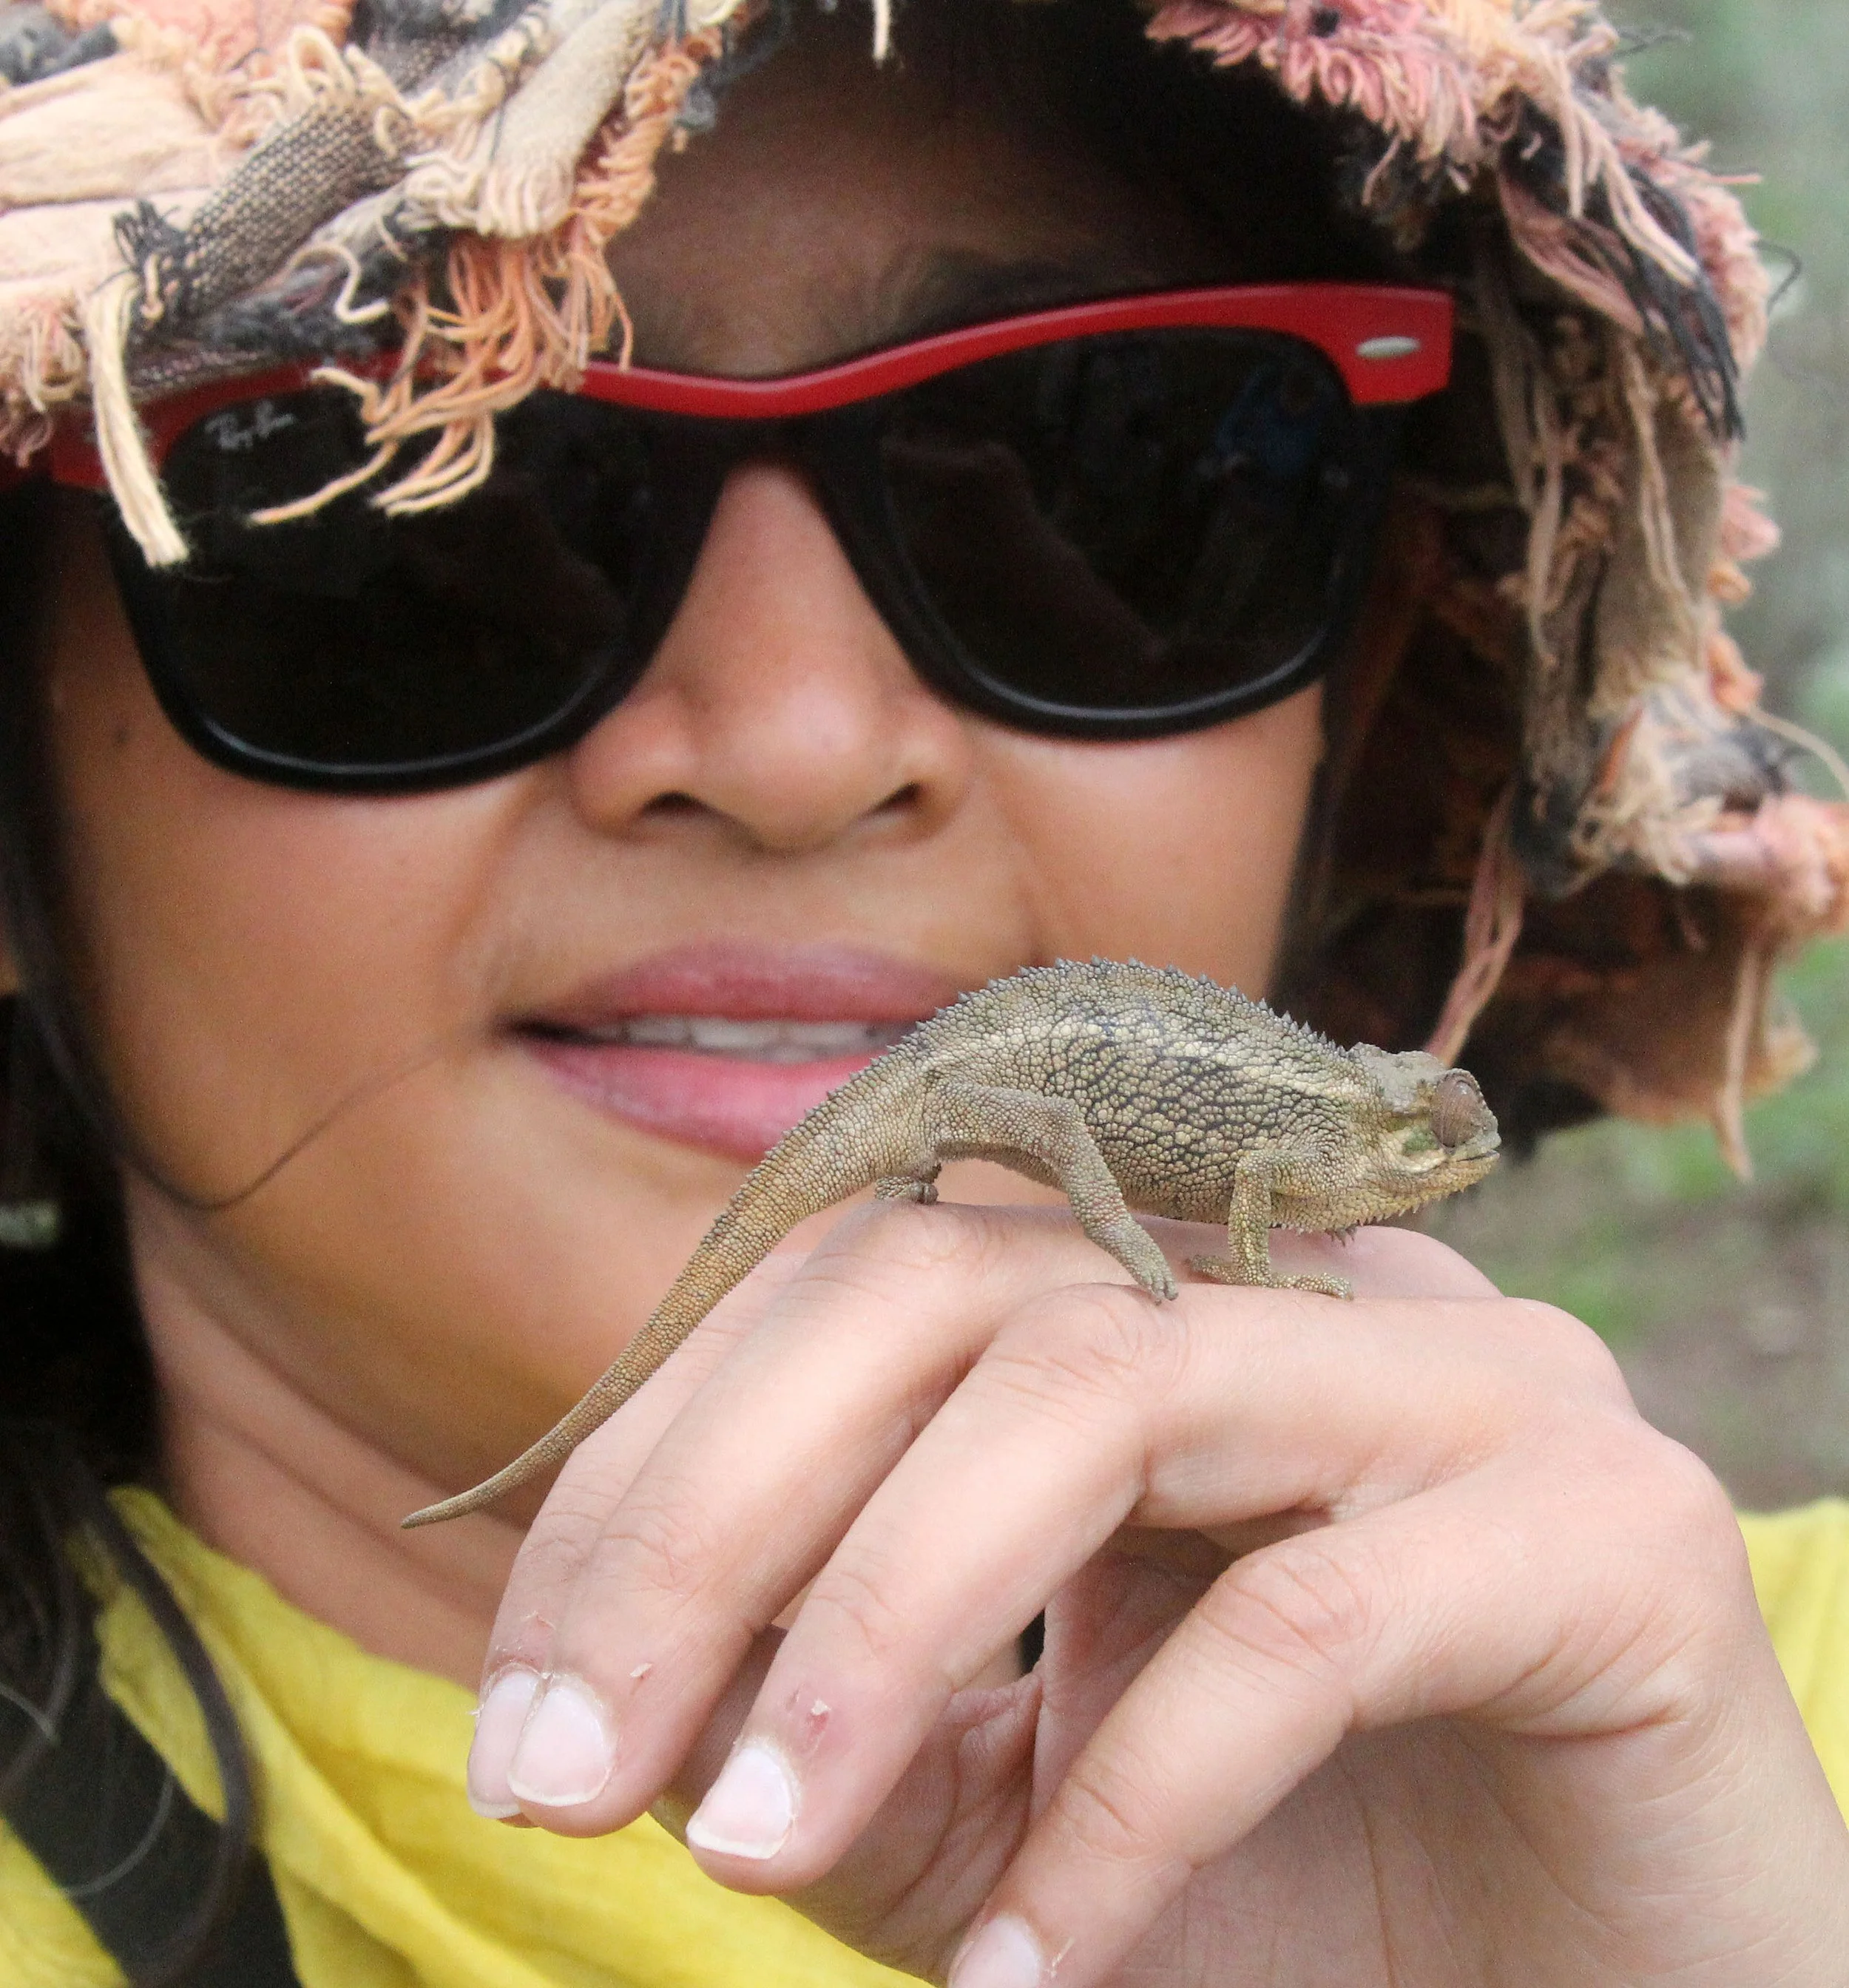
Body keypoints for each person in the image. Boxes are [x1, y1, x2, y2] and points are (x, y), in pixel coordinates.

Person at [1, 0, 1848, 1982]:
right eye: (417, 499)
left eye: (1109, 468)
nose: (796, 748)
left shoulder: (1737, 1749)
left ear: (1368, 678)